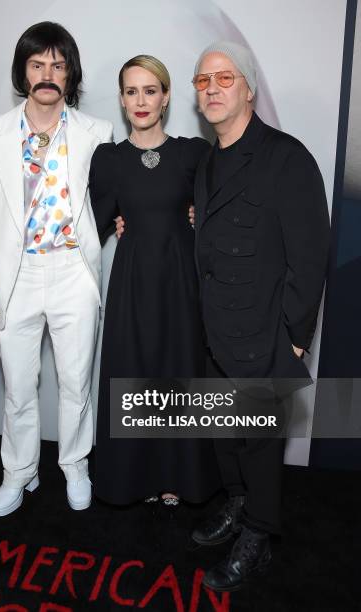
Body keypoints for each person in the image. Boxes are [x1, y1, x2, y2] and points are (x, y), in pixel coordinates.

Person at [189, 41, 330, 591]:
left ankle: (259, 537)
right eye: (203, 82)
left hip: (263, 334)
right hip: (216, 331)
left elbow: (310, 255)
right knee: (227, 437)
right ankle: (238, 508)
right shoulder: (207, 161)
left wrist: (294, 339)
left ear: (248, 87)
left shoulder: (287, 157)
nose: (213, 89)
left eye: (224, 78)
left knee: (260, 443)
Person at [0, 22, 112, 516]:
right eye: (37, 64)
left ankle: (74, 465)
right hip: (16, 276)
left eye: (58, 64)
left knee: (75, 382)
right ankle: (19, 472)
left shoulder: (97, 134)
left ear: (70, 75)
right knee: (19, 388)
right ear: (23, 72)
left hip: (73, 272)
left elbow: (112, 198)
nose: (47, 74)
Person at [89, 55, 219, 506]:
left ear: (165, 98)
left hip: (180, 282)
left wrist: (200, 216)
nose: (140, 101)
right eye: (131, 91)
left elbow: (220, 209)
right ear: (122, 101)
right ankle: (135, 479)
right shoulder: (108, 159)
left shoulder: (193, 154)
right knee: (136, 373)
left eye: (150, 90)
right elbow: (93, 224)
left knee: (177, 371)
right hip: (132, 283)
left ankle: (174, 477)